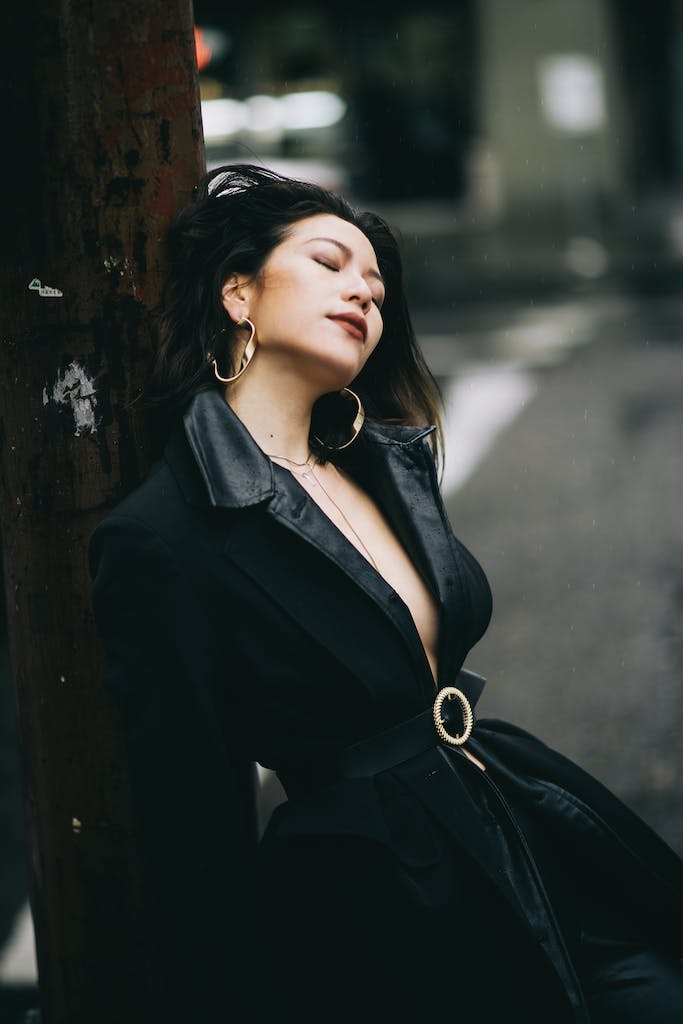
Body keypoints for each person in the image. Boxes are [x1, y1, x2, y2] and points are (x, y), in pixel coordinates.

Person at [89, 163, 683, 1022]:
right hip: (379, 891)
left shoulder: (383, 464)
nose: (363, 294)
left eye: (374, 285)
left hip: (510, 808)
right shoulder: (164, 535)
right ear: (237, 295)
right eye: (330, 264)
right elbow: (190, 829)